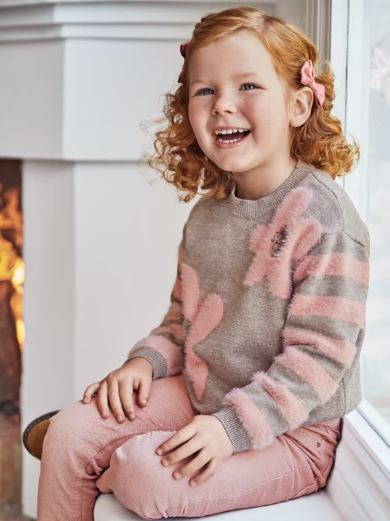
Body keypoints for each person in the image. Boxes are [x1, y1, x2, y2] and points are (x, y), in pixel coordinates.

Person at [24, 6, 370, 521]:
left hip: (292, 434)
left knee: (142, 474)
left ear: (299, 104)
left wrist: (229, 429)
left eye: (248, 86)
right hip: (204, 395)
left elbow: (318, 362)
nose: (223, 106)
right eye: (205, 91)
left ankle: (120, 457)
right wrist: (143, 363)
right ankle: (92, 447)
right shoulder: (207, 217)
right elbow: (182, 324)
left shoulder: (326, 220)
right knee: (72, 433)